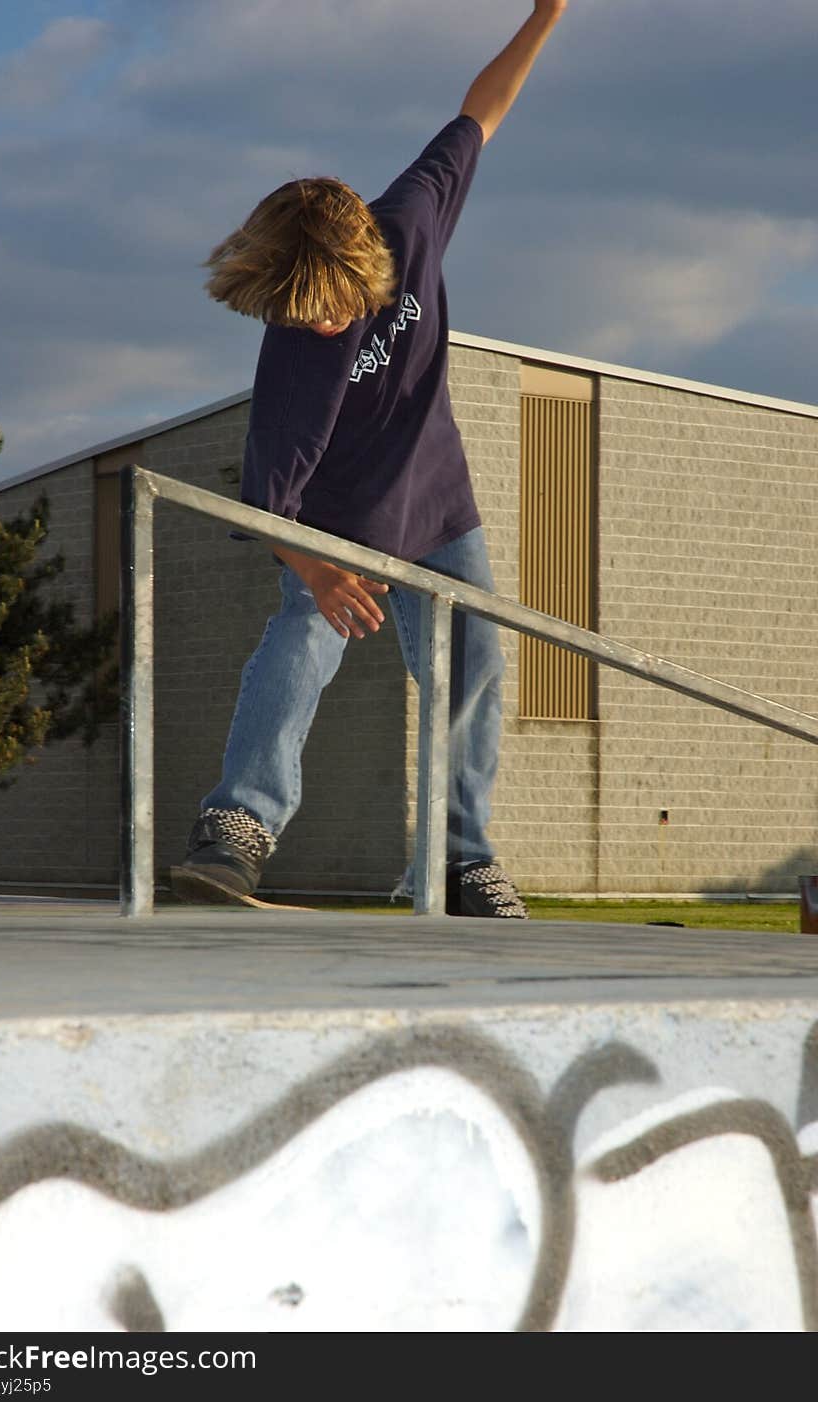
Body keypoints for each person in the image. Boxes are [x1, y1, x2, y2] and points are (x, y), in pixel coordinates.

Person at [172, 2, 567, 917]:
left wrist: (546, 14)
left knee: (475, 664)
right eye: (298, 317)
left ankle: (460, 861)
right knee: (304, 638)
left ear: (368, 261)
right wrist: (314, 566)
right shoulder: (293, 358)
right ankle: (235, 830)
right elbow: (265, 505)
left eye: (329, 312)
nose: (316, 328)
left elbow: (482, 109)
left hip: (437, 502)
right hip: (333, 523)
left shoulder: (414, 217)